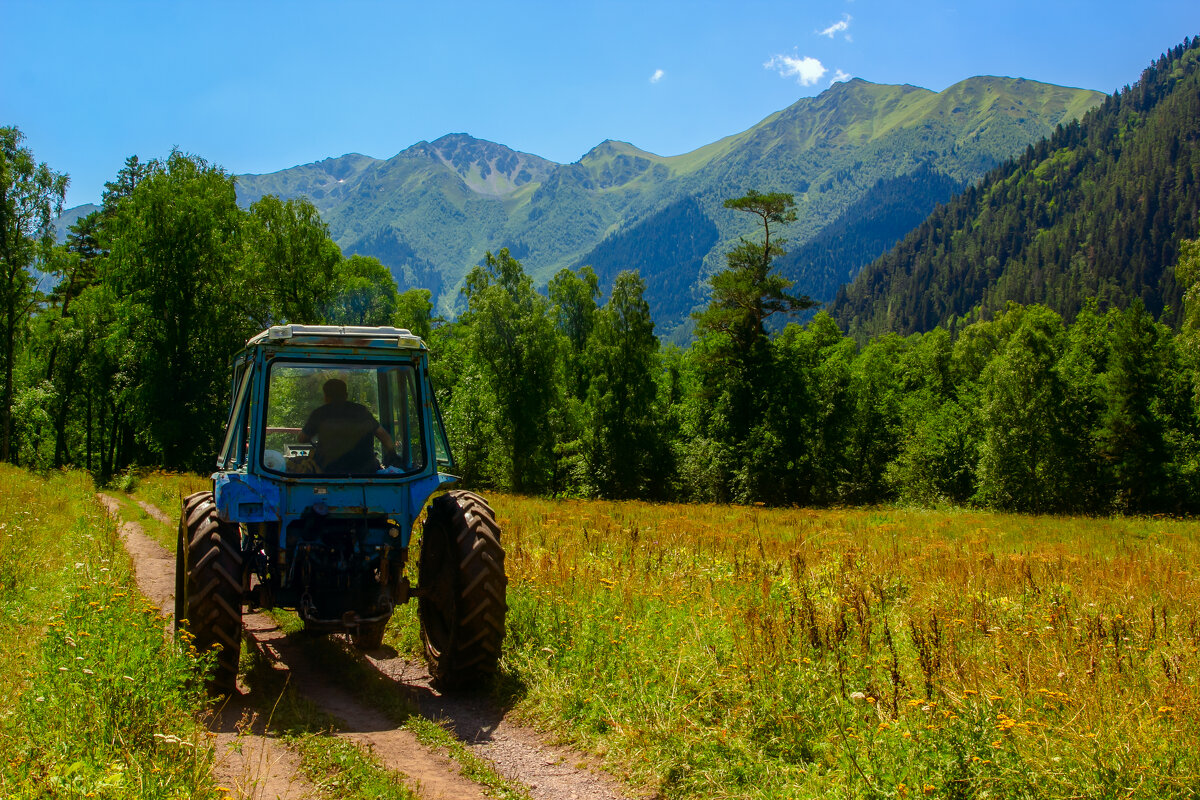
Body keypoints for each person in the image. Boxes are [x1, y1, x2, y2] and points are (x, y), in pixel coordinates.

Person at [299, 378, 395, 473]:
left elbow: (302, 439)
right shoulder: (361, 412)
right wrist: (392, 455)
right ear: (346, 395)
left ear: (326, 397)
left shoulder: (319, 414)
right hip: (365, 472)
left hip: (329, 473)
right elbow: (383, 435)